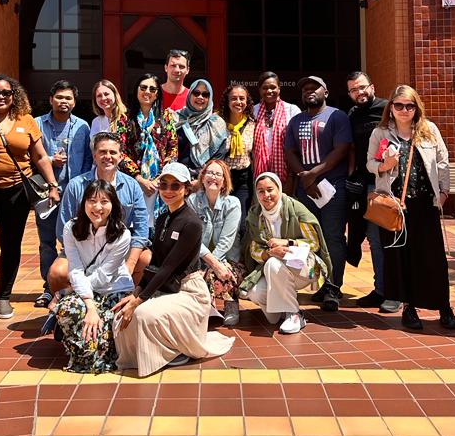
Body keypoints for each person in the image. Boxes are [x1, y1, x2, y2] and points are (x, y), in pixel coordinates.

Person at [112, 162, 235, 377]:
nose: (168, 191)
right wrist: (135, 293)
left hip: (191, 293)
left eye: (175, 186)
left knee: (141, 314)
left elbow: (168, 267)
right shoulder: (162, 219)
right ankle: (141, 355)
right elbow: (156, 262)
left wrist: (138, 301)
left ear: (186, 189)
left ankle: (173, 351)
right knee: (121, 314)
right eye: (164, 185)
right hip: (168, 288)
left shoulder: (192, 223)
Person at [366, 85, 455, 332]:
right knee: (401, 258)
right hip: (395, 205)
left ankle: (444, 307)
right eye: (399, 105)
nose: (404, 110)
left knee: (433, 258)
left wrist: (444, 192)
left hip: (426, 203)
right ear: (391, 108)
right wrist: (385, 163)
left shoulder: (429, 131)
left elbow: (443, 161)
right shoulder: (381, 133)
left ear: (416, 107)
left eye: (409, 105)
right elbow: (370, 164)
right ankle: (409, 307)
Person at [0, 74, 60, 319]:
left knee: (11, 245)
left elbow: (40, 157)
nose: (1, 97)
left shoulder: (26, 120)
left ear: (15, 96)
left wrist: (53, 185)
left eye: (6, 93)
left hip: (18, 192)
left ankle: (3, 297)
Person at [284, 75, 352, 311]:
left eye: (315, 88)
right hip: (306, 190)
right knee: (312, 239)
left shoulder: (337, 116)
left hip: (333, 187)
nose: (309, 92)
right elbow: (290, 151)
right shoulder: (296, 121)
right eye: (305, 89)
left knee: (333, 237)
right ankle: (318, 282)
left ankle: (333, 287)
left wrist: (315, 173)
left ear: (326, 91)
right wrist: (305, 177)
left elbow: (342, 148)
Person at [52, 180, 134, 373]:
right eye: (92, 201)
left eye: (104, 201)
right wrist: (90, 306)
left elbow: (104, 276)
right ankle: (83, 356)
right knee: (67, 309)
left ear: (113, 205)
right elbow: (75, 269)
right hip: (87, 293)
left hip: (114, 290)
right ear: (84, 204)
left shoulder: (122, 234)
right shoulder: (71, 229)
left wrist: (72, 289)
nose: (98, 207)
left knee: (104, 328)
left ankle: (97, 354)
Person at [239, 171, 331, 335]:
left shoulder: (295, 209)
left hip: (304, 267)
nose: (266, 195)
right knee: (255, 292)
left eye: (270, 189)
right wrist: (270, 253)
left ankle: (295, 314)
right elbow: (253, 249)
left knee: (274, 264)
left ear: (279, 189)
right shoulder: (255, 215)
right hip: (273, 271)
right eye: (261, 191)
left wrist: (288, 243)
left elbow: (314, 243)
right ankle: (282, 309)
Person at [54, 131, 150, 285]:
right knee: (57, 273)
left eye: (113, 152)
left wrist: (130, 264)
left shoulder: (132, 186)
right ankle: (73, 300)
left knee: (146, 260)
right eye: (102, 152)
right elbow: (63, 228)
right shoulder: (76, 186)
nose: (108, 156)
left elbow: (141, 229)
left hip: (120, 248)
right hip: (83, 249)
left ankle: (126, 299)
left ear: (120, 156)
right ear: (94, 156)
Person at [33, 80, 92, 308]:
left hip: (75, 194)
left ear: (74, 102)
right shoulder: (37, 124)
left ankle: (72, 285)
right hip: (47, 195)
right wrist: (50, 160)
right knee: (47, 242)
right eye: (59, 97)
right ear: (51, 100)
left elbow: (88, 159)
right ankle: (48, 289)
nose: (63, 102)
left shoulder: (82, 127)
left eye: (68, 98)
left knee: (74, 241)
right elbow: (31, 158)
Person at [346, 71, 400, 313]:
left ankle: (396, 292)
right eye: (353, 90)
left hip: (388, 184)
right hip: (365, 187)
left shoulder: (388, 110)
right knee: (374, 239)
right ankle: (381, 290)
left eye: (362, 87)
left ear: (372, 86)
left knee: (392, 239)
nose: (359, 93)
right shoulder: (353, 114)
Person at [116, 73, 178, 224]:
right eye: (143, 87)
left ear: (157, 94)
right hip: (133, 182)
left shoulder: (166, 117)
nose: (147, 91)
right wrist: (139, 179)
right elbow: (120, 151)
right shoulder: (124, 117)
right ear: (136, 90)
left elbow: (173, 149)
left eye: (152, 89)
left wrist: (160, 177)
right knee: (133, 224)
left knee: (159, 225)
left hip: (160, 182)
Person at [188, 158, 243, 326]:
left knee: (223, 271)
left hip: (226, 257)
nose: (213, 177)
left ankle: (231, 304)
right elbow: (193, 238)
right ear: (202, 178)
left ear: (224, 181)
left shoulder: (232, 203)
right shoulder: (192, 201)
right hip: (199, 257)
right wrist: (207, 262)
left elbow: (226, 241)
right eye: (209, 173)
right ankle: (205, 306)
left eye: (218, 174)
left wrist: (211, 265)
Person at [219, 83, 255, 235]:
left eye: (242, 98)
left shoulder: (253, 124)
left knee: (241, 223)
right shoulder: (217, 122)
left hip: (243, 178)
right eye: (234, 98)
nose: (238, 102)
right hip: (221, 178)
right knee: (220, 221)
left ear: (247, 101)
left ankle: (239, 257)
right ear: (227, 101)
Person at [252, 71, 301, 184]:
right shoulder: (253, 111)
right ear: (259, 90)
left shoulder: (292, 110)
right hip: (259, 172)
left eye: (273, 87)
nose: (269, 91)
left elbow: (297, 144)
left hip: (287, 173)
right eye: (265, 88)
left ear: (279, 89)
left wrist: (292, 175)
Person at [176, 80, 228, 180]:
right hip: (177, 180)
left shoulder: (217, 123)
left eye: (205, 94)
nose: (200, 97)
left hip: (205, 181)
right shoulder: (176, 118)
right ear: (189, 95)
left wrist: (200, 180)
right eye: (196, 93)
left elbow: (218, 157)